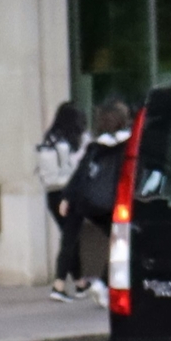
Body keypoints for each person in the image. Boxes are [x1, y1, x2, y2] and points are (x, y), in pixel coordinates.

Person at [62, 101, 133, 302]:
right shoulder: (127, 144)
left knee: (117, 242)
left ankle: (104, 284)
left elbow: (81, 173)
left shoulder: (95, 146)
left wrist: (68, 196)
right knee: (122, 243)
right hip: (115, 203)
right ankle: (103, 284)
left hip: (92, 205)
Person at [33, 103, 87, 299]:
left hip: (52, 194)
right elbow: (78, 169)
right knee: (70, 239)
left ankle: (80, 283)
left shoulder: (50, 138)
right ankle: (59, 284)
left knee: (70, 237)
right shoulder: (72, 141)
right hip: (69, 194)